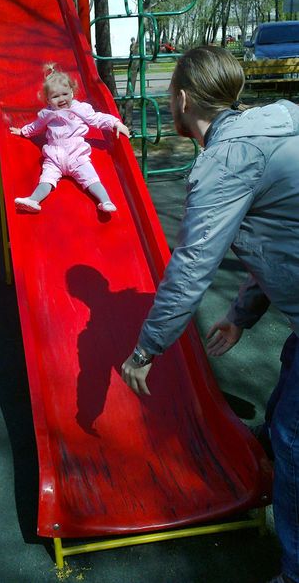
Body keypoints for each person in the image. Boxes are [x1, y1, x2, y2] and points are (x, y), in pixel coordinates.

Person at [120, 45, 299, 583]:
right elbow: (282, 239)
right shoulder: (279, 123)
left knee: (293, 438)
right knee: (290, 375)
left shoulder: (226, 162)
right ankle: (263, 446)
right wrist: (241, 314)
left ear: (182, 99)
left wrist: (145, 350)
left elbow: (192, 267)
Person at [10, 63, 130, 213]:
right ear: (48, 100)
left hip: (77, 155)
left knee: (91, 178)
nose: (61, 99)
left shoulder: (80, 109)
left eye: (65, 94)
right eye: (55, 96)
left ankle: (105, 201)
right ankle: (33, 201)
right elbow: (36, 126)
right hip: (54, 156)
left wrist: (115, 123)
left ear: (72, 93)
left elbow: (97, 118)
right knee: (46, 179)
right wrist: (23, 131)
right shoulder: (47, 113)